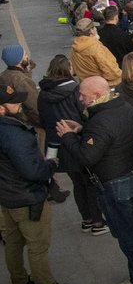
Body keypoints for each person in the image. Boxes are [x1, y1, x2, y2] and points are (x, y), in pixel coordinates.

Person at [55, 76, 133, 284]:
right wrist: (83, 130)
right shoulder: (123, 108)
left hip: (115, 182)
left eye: (83, 95)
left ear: (97, 95)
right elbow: (111, 138)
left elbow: (86, 157)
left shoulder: (100, 121)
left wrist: (68, 137)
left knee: (127, 231)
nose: (80, 99)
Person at [0, 85, 86, 284]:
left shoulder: (8, 130)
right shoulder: (14, 134)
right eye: (12, 102)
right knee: (37, 247)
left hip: (7, 197)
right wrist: (49, 166)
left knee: (13, 243)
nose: (19, 105)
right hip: (27, 196)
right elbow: (32, 171)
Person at [37, 55, 107, 235]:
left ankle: (86, 219)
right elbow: (84, 113)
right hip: (76, 141)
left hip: (58, 145)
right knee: (90, 183)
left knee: (77, 183)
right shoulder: (75, 90)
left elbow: (42, 119)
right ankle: (98, 222)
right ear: (67, 69)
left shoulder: (43, 94)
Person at [69, 18, 122, 87]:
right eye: (94, 27)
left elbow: (74, 70)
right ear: (91, 31)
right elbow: (112, 72)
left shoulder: (74, 48)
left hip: (86, 86)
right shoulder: (95, 48)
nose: (96, 29)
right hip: (103, 87)